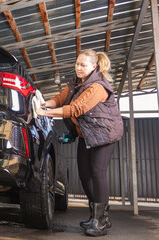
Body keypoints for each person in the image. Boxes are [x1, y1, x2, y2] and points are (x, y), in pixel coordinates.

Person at [36, 49, 123, 237]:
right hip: (87, 135)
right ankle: (95, 216)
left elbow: (77, 108)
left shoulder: (98, 86)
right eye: (77, 63)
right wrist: (45, 104)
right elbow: (61, 98)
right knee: (84, 174)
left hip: (105, 135)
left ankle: (101, 221)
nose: (78, 67)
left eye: (83, 65)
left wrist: (45, 113)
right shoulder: (76, 83)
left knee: (97, 173)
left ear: (94, 66)